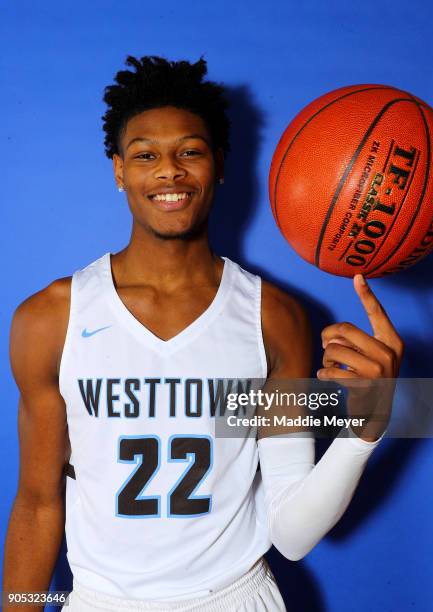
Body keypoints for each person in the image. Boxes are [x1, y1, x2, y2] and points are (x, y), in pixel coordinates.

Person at [2, 55, 404, 612]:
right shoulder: (50, 318)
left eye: (190, 151)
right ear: (118, 170)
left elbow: (292, 533)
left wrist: (366, 431)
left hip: (235, 597)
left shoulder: (272, 316)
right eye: (146, 155)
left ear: (218, 164)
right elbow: (39, 503)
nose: (169, 170)